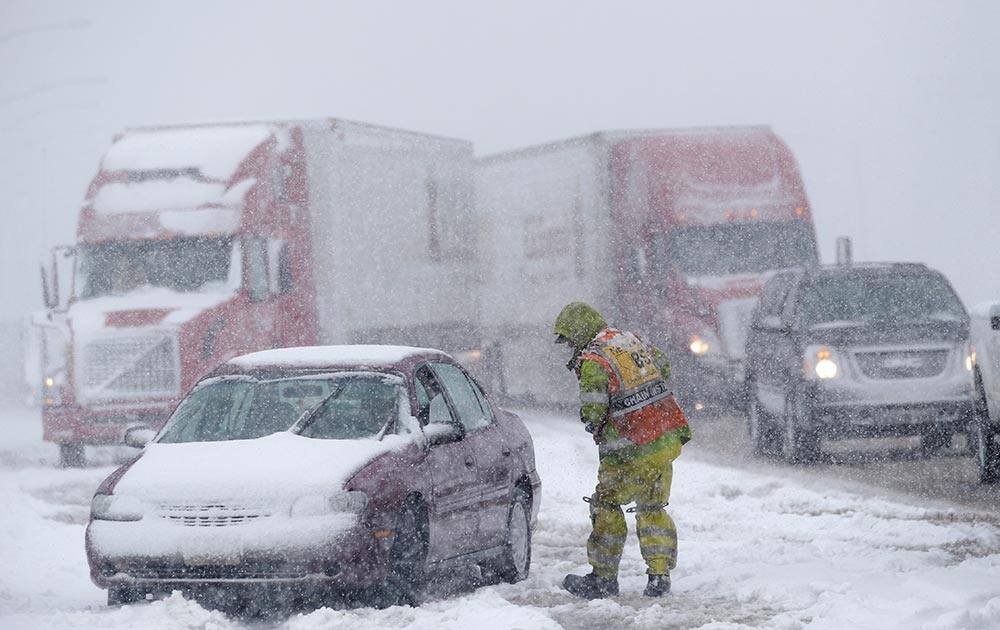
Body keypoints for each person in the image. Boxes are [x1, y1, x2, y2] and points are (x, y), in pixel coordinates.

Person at [554, 302, 691, 599]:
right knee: (652, 505)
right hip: (665, 437)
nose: (570, 348)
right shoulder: (630, 340)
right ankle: (659, 575)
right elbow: (663, 366)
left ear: (579, 332)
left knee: (606, 505)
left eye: (569, 340)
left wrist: (593, 422)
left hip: (632, 448)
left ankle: (603, 578)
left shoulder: (594, 359)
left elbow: (593, 408)